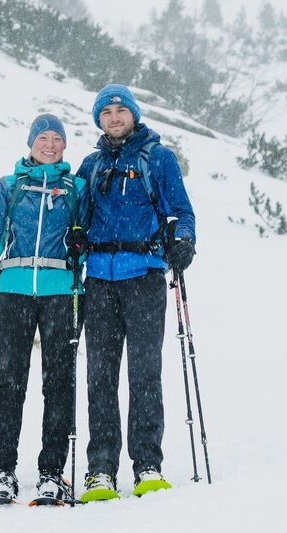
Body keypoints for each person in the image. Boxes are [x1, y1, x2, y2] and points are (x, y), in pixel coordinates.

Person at [75, 84, 196, 501]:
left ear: (133, 115)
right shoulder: (90, 165)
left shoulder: (157, 158)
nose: (113, 117)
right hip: (100, 283)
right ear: (98, 119)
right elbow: (77, 219)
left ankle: (147, 465)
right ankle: (101, 470)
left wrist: (184, 241)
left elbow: (181, 210)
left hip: (144, 276)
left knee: (145, 374)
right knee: (100, 377)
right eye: (105, 111)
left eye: (119, 110)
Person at [0, 114, 89, 505]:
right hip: (13, 291)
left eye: (58, 138)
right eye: (44, 137)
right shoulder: (8, 186)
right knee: (10, 382)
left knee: (58, 383)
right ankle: (0, 470)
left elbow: (87, 232)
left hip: (62, 291)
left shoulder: (76, 187)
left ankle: (52, 473)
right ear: (31, 142)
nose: (51, 144)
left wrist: (80, 241)